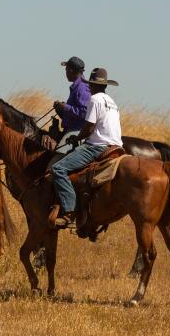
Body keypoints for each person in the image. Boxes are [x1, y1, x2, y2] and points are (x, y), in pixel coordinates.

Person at [49, 67, 123, 230]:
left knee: (58, 169)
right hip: (117, 146)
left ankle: (69, 210)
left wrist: (76, 137)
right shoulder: (112, 102)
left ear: (93, 85)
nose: (89, 87)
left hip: (97, 146)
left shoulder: (94, 99)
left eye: (90, 84)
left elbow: (89, 128)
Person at [52, 56, 91, 151]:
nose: (65, 73)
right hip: (72, 129)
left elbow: (85, 112)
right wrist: (61, 110)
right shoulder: (77, 87)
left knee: (56, 160)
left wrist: (65, 107)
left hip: (77, 131)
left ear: (71, 70)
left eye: (66, 70)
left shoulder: (81, 88)